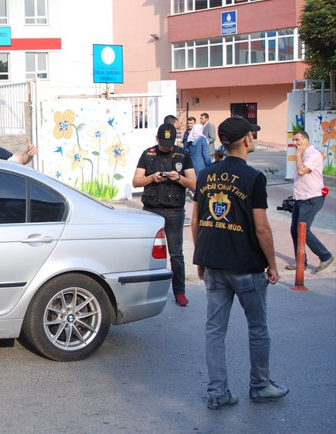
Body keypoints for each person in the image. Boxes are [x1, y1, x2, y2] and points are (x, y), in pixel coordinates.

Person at [192, 116, 288, 410]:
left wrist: (200, 258)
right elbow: (261, 228)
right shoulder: (254, 178)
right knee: (258, 328)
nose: (253, 139)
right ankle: (260, 386)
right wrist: (272, 264)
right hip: (246, 266)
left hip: (215, 264)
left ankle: (218, 392)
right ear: (246, 140)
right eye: (252, 135)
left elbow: (197, 220)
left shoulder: (206, 175)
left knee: (214, 330)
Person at [133, 122, 196, 307]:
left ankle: (180, 292)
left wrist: (179, 178)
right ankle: (144, 292)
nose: (166, 147)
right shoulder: (148, 153)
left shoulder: (183, 155)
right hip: (152, 210)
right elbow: (136, 181)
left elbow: (194, 183)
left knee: (176, 254)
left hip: (174, 211)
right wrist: (152, 178)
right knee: (147, 253)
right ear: (157, 139)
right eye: (163, 143)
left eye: (169, 143)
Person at [286, 131, 333, 273]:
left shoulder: (313, 154)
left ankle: (325, 256)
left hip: (312, 198)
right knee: (295, 230)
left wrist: (299, 154)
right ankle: (300, 261)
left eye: (297, 140)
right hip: (300, 198)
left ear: (306, 140)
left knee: (303, 230)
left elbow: (301, 171)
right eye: (293, 140)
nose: (295, 143)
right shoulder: (305, 154)